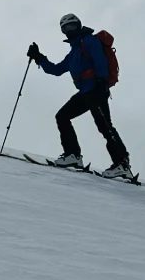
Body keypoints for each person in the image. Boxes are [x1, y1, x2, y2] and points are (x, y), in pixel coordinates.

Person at [26, 13, 134, 180]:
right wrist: (39, 57)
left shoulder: (89, 41)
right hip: (85, 93)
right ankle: (73, 155)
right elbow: (57, 70)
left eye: (72, 26)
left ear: (78, 25)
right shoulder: (74, 52)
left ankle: (122, 164)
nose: (69, 31)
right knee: (62, 116)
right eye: (65, 28)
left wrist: (101, 83)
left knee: (105, 127)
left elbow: (100, 61)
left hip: (96, 90)